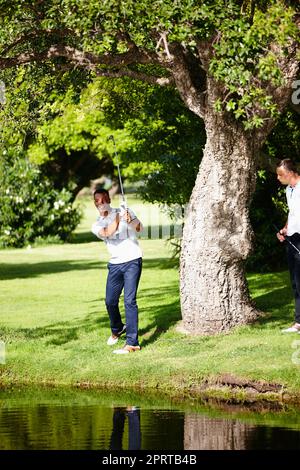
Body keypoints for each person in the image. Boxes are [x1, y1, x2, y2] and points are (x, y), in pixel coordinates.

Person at [91, 188, 143, 353]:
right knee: (110, 302)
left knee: (129, 301)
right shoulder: (97, 224)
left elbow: (139, 228)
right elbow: (109, 232)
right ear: (95, 204)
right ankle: (118, 328)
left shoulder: (124, 210)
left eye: (104, 199)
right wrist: (120, 218)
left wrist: (131, 220)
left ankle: (132, 343)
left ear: (109, 199)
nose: (101, 202)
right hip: (115, 264)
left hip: (133, 260)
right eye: (98, 201)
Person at [276, 159, 300, 333]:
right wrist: (284, 229)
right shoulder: (288, 190)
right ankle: (299, 323)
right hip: (292, 239)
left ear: (290, 173)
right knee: (295, 282)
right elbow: (293, 213)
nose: (278, 178)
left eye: (280, 174)